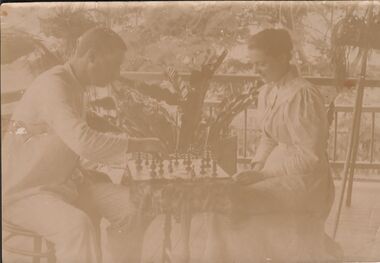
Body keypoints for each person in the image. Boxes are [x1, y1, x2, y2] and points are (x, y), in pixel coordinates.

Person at [2, 26, 168, 263]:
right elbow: (83, 140)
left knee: (134, 207)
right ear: (91, 57)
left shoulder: (76, 86)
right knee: (77, 227)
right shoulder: (53, 85)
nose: (117, 73)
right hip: (24, 192)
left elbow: (67, 142)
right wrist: (141, 144)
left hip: (64, 185)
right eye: (114, 66)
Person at [200, 28, 339, 262]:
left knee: (226, 203)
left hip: (305, 181)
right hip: (275, 174)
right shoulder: (267, 92)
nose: (256, 71)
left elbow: (309, 157)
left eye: (262, 64)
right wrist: (256, 167)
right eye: (253, 64)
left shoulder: (303, 95)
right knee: (221, 197)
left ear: (283, 57)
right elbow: (269, 137)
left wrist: (263, 174)